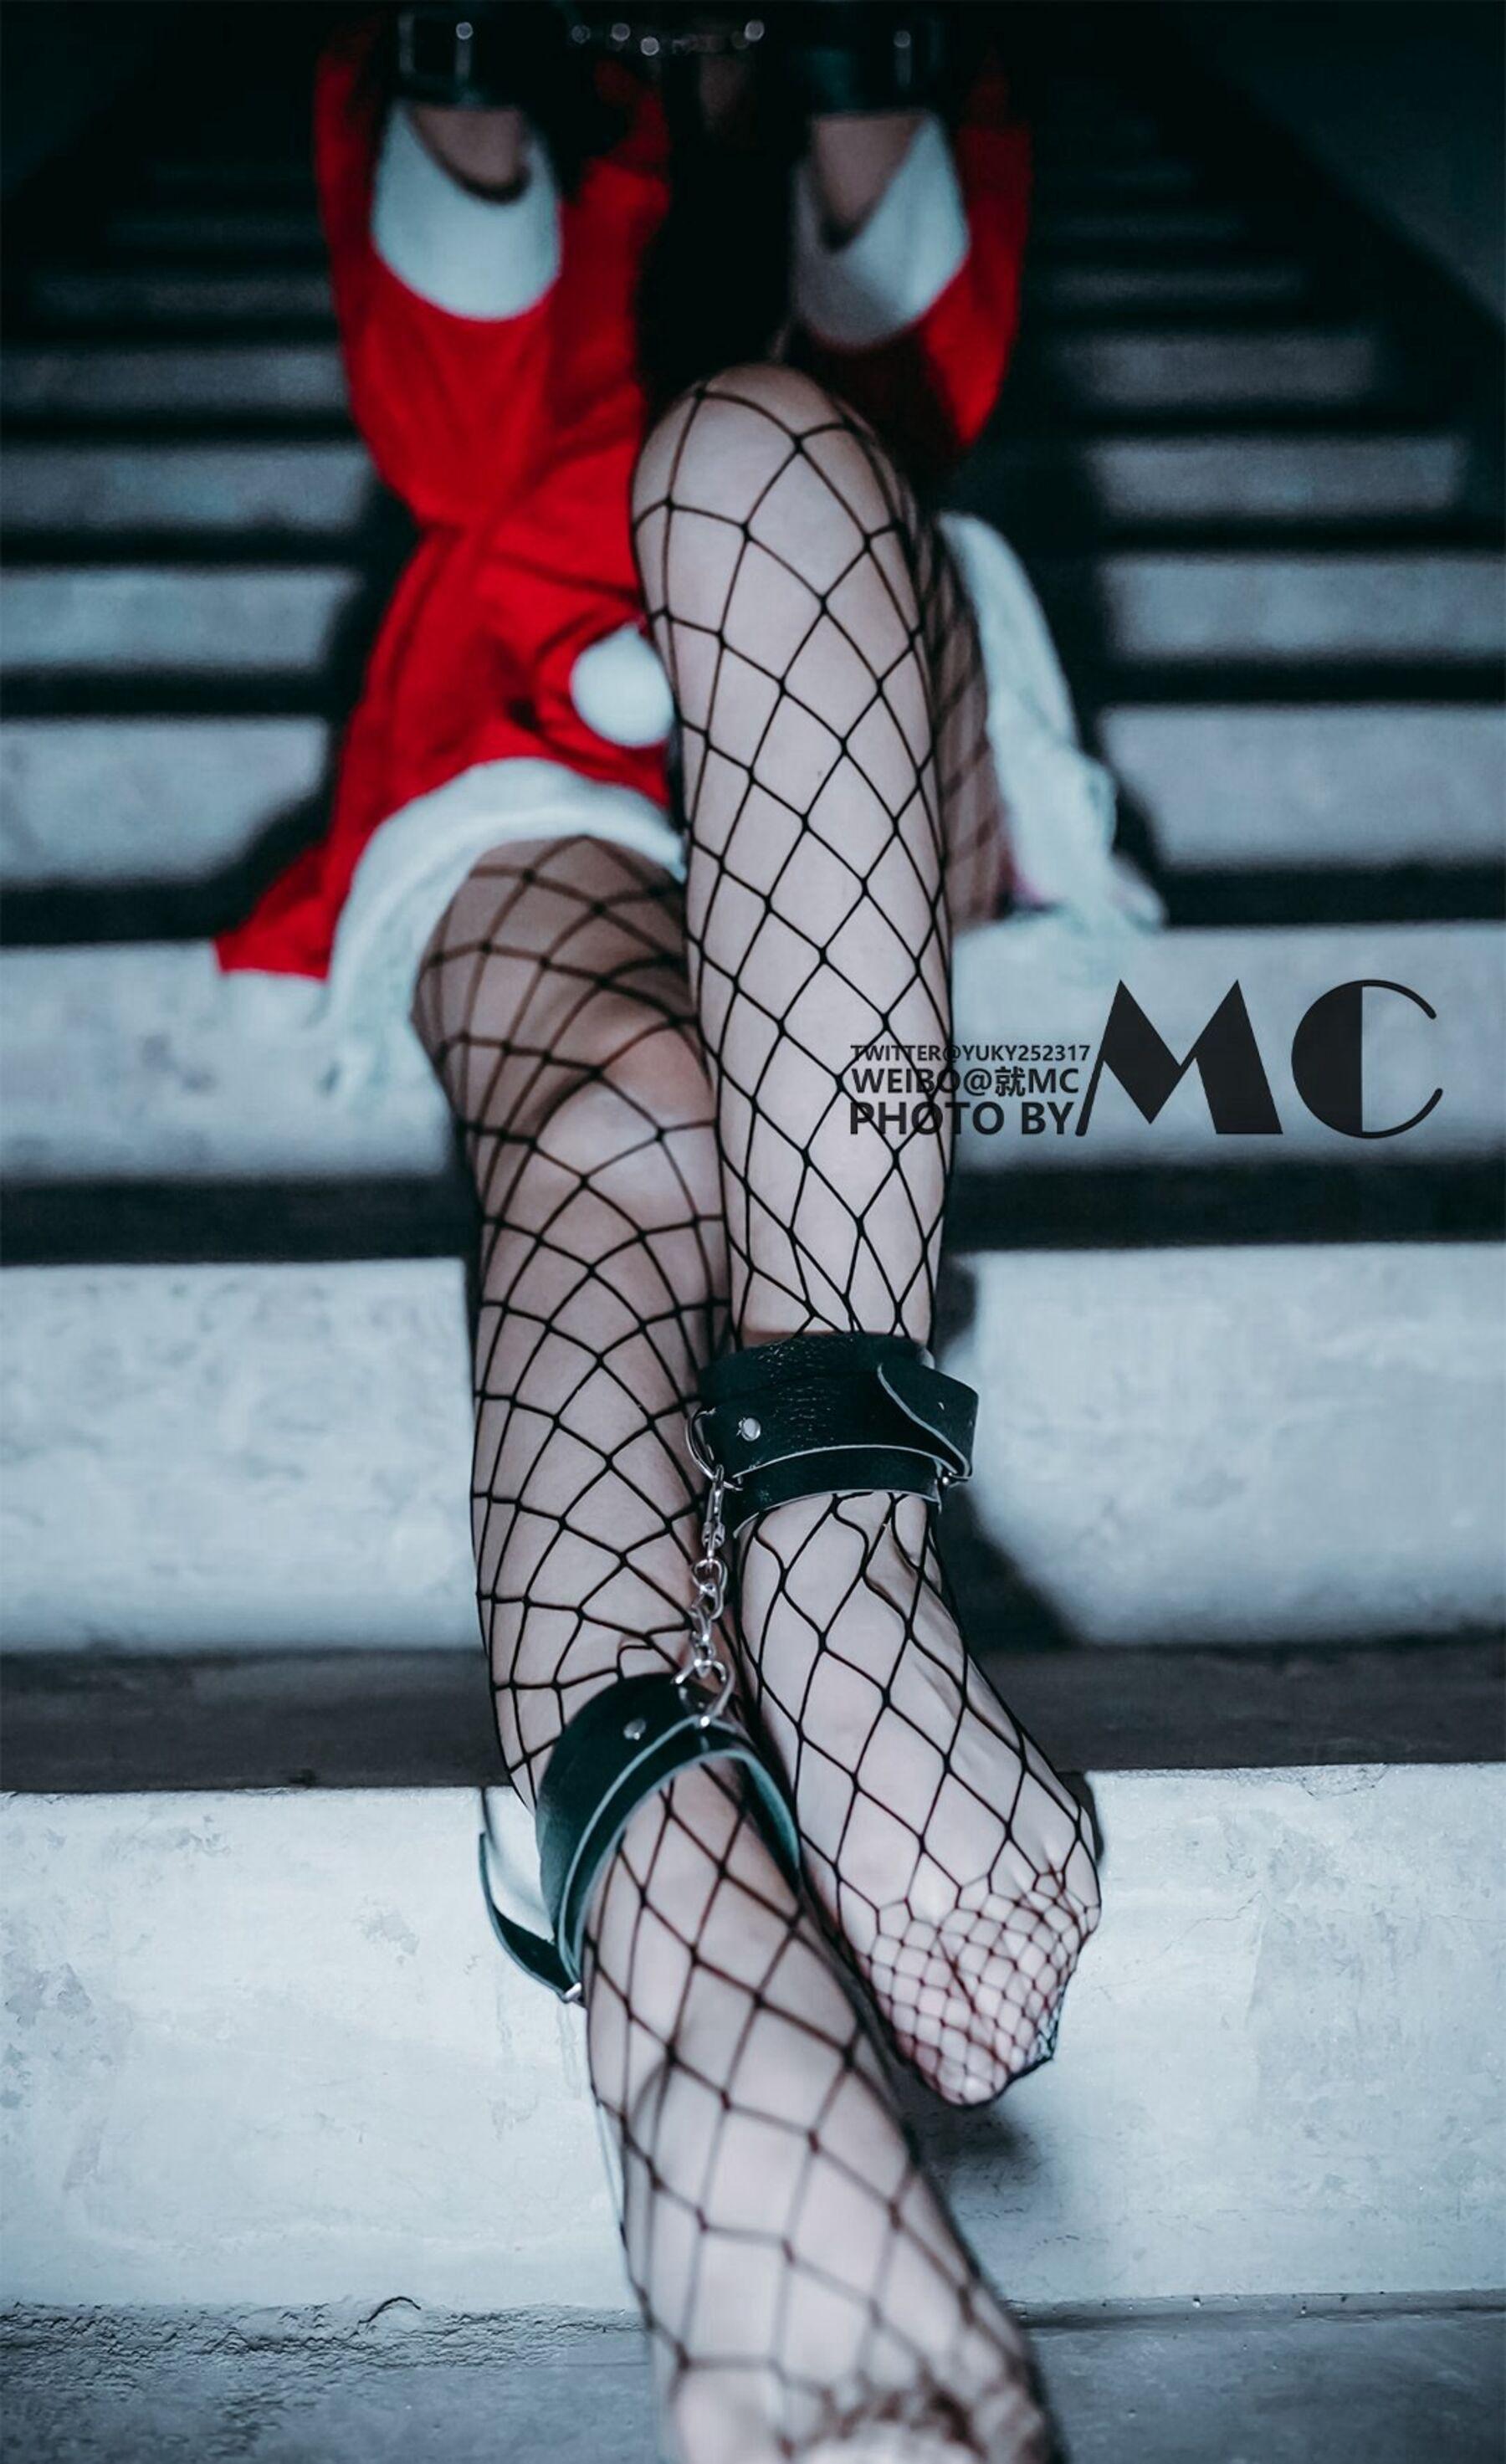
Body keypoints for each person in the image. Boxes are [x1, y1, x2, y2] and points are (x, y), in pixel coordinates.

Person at [218, 9, 1148, 2454]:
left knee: (769, 447)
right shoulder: (464, 72)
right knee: (627, 1104)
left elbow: (923, 369)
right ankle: (676, 1937)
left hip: (838, 670)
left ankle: (830, 1578)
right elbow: (446, 434)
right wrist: (476, 83)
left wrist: (849, 69)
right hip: (521, 708)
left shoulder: (922, 74)